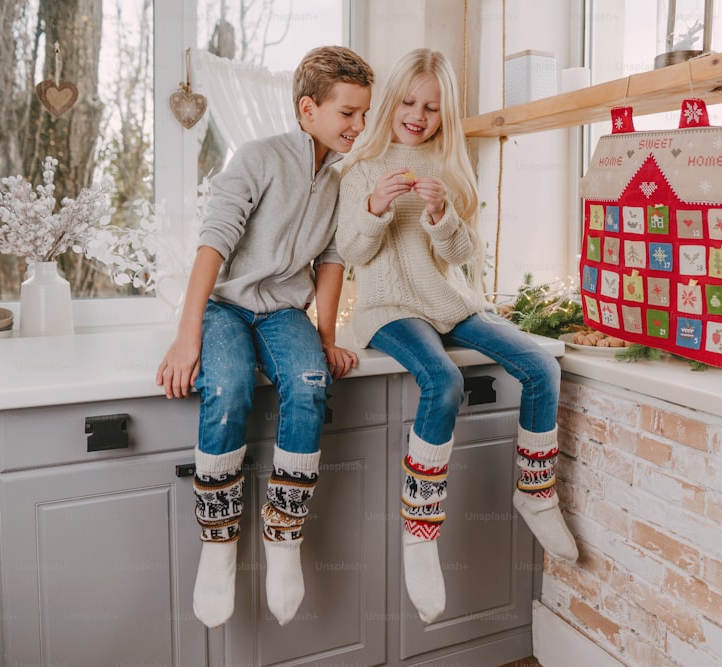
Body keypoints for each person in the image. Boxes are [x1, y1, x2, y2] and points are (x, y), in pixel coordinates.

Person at [336, 48, 577, 624]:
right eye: (410, 102)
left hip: (451, 302)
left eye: (433, 108)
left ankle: (536, 492)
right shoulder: (358, 169)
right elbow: (350, 253)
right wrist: (375, 207)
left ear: (445, 115)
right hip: (389, 307)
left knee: (542, 367)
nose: (418, 116)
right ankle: (420, 534)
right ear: (392, 100)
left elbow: (464, 257)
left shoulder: (448, 167)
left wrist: (443, 217)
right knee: (441, 380)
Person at [155, 45, 374, 629]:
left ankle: (284, 538)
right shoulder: (257, 158)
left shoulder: (339, 180)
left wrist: (325, 336)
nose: (359, 126)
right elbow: (214, 242)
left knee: (309, 384)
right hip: (226, 307)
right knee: (226, 388)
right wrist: (187, 334)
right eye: (347, 113)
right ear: (308, 109)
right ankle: (219, 544)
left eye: (363, 114)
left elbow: (330, 260)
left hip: (283, 314)